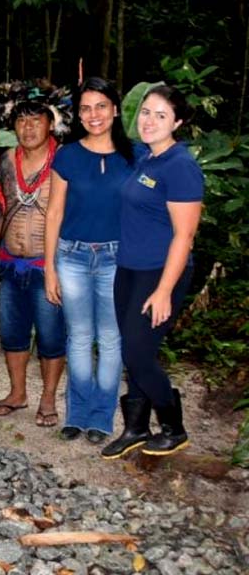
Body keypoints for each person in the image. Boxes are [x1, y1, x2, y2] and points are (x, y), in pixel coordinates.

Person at [102, 85, 203, 459]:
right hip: (128, 269)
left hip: (160, 274)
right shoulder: (146, 157)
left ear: (177, 122)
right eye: (146, 112)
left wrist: (163, 291)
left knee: (140, 354)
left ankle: (174, 428)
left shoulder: (180, 166)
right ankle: (136, 428)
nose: (149, 120)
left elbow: (184, 235)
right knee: (133, 352)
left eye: (161, 115)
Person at [44, 77, 136, 444]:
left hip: (117, 257)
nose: (93, 114)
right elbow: (53, 213)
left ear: (115, 109)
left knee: (111, 338)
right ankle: (77, 414)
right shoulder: (67, 155)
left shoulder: (136, 157)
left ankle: (101, 417)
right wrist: (49, 267)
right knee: (79, 337)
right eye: (85, 108)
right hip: (73, 256)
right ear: (77, 114)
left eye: (101, 106)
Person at [0, 84, 72, 428]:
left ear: (51, 123)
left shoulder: (66, 160)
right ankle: (17, 394)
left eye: (36, 121)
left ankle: (48, 399)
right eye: (21, 121)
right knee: (12, 333)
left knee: (50, 335)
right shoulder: (6, 160)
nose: (28, 128)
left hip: (47, 266)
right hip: (9, 262)